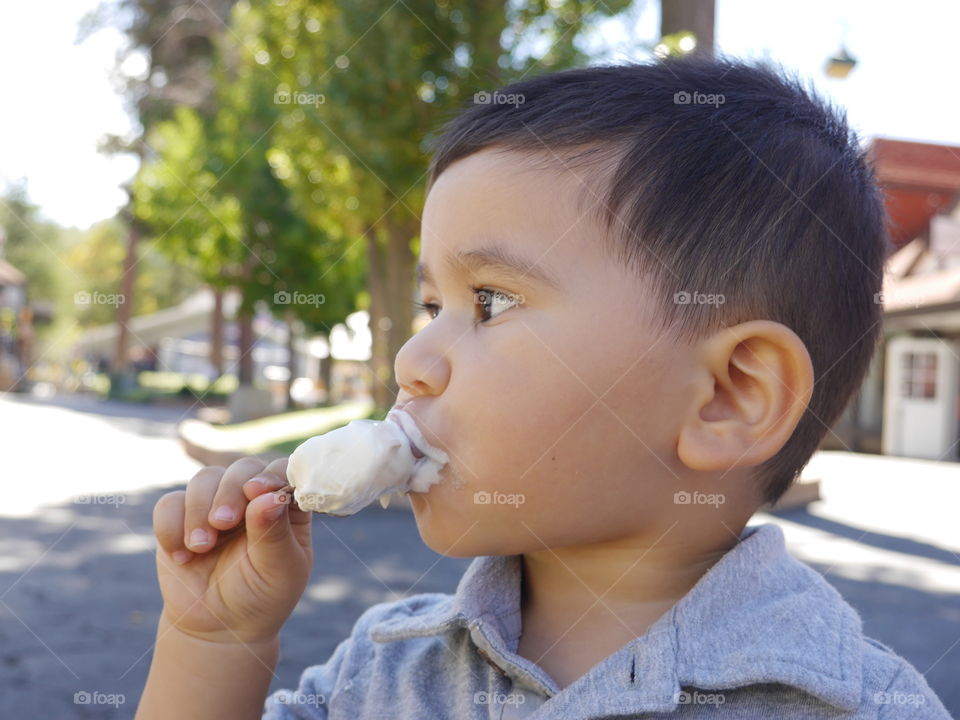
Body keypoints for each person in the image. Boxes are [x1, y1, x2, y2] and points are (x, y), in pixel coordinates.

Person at [135, 56, 952, 719]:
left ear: (728, 397)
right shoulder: (380, 674)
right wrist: (211, 645)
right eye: (430, 304)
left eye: (489, 302)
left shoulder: (856, 706)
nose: (412, 357)